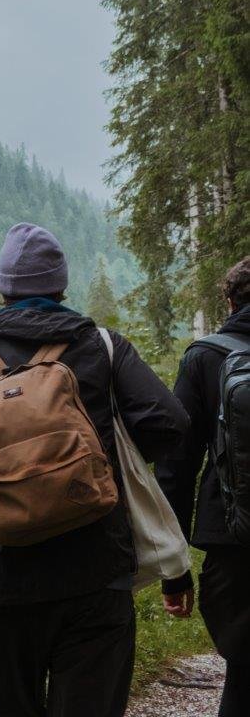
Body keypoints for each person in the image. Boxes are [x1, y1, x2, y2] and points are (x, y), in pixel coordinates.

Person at [0, 223, 190, 717]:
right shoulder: (100, 346)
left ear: (2, 288)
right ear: (61, 286)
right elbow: (170, 423)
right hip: (96, 572)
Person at [156, 256, 250, 717]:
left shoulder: (204, 356)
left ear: (230, 301)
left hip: (231, 536)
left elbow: (176, 464)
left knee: (244, 667)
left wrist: (174, 566)